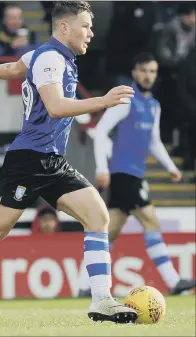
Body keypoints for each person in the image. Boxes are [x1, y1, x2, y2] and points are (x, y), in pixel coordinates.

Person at [0, 1, 138, 323]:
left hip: (51, 159)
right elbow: (56, 106)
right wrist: (103, 101)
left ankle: (102, 299)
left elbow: (14, 67)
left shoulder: (44, 56)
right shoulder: (50, 57)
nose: (91, 32)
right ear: (64, 27)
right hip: (30, 159)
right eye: (86, 26)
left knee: (97, 215)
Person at [77, 52, 195, 297]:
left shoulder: (153, 105)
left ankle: (83, 284)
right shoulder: (126, 100)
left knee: (108, 231)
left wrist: (171, 168)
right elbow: (100, 132)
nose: (148, 76)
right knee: (150, 220)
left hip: (134, 173)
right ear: (134, 73)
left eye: (152, 71)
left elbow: (154, 142)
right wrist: (101, 168)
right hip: (124, 173)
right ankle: (173, 280)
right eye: (143, 70)